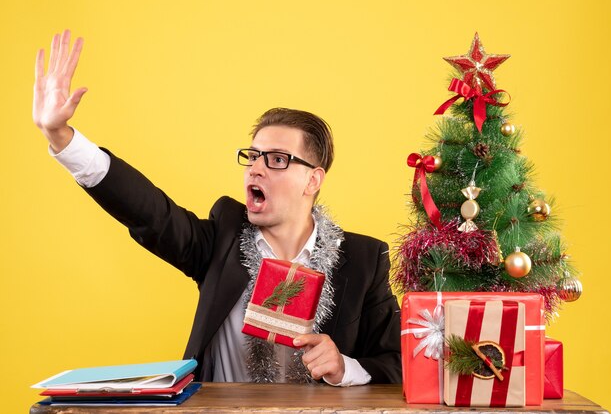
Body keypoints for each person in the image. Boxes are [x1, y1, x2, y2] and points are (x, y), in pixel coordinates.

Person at [33, 30, 401, 385]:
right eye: (253, 156)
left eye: (276, 159)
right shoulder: (221, 239)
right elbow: (151, 213)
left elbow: (397, 363)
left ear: (313, 180)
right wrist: (62, 137)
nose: (256, 168)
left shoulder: (363, 259)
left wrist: (345, 367)